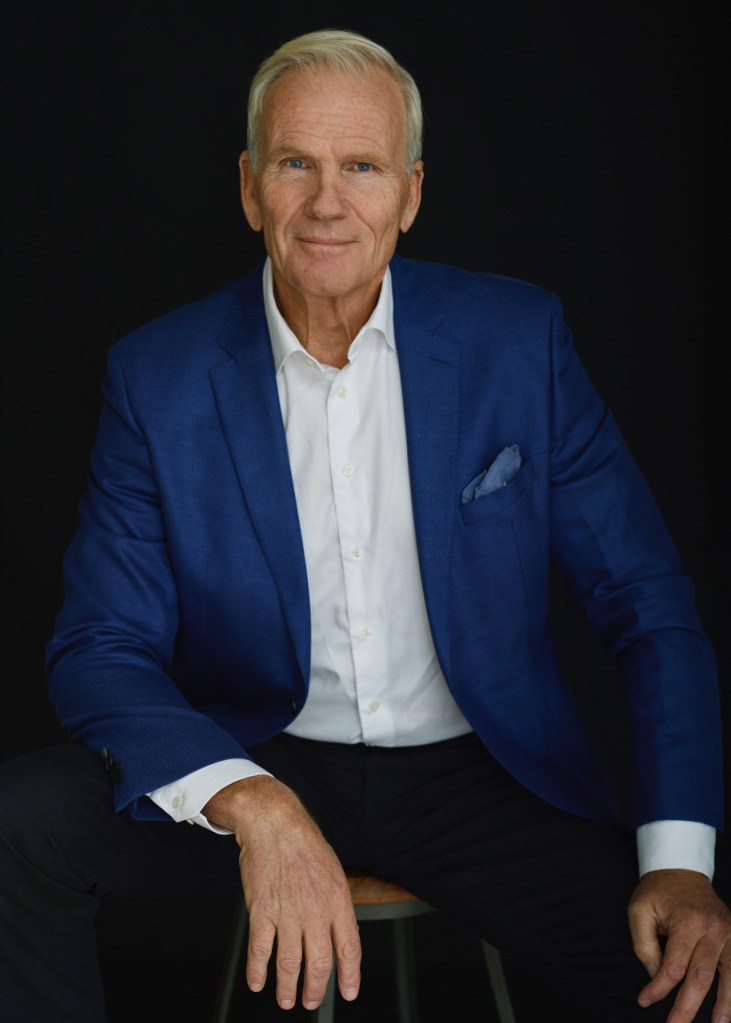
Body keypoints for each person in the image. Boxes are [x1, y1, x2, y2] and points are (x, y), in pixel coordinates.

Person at [0, 26, 728, 1023]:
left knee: (692, 989)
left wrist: (680, 859)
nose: (326, 201)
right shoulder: (157, 376)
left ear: (410, 193)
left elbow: (646, 606)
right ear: (250, 186)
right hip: (262, 747)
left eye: (361, 167)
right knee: (21, 824)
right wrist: (252, 801)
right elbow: (99, 643)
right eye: (295, 163)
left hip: (484, 777)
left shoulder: (517, 343)